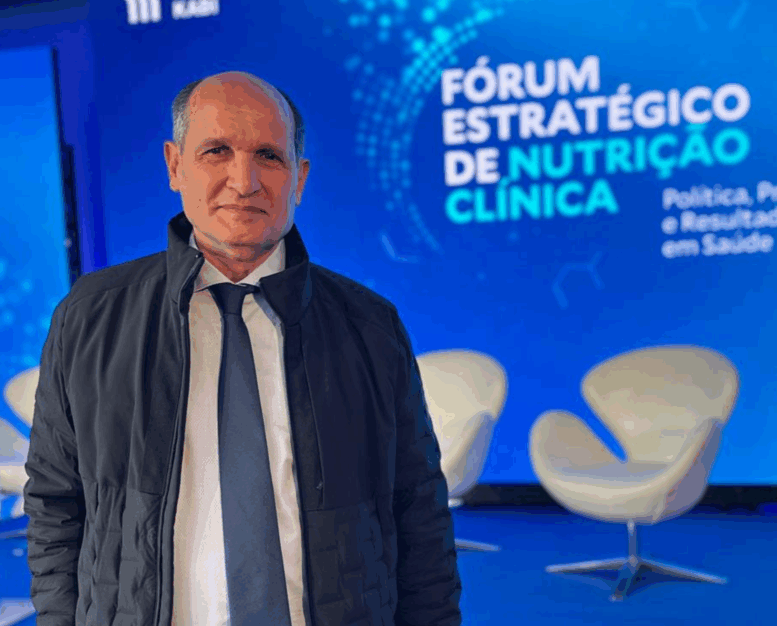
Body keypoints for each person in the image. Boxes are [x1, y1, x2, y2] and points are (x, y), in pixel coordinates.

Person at [23, 71, 462, 626]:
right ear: (175, 165)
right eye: (217, 151)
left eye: (269, 156)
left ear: (299, 179)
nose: (244, 180)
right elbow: (55, 505)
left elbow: (418, 514)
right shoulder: (90, 318)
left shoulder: (370, 327)